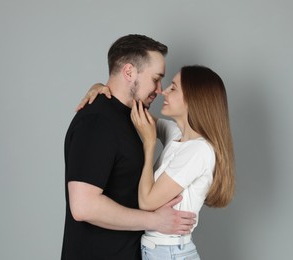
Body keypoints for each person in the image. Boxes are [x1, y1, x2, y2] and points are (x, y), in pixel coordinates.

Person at [62, 34, 196, 260]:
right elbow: (83, 205)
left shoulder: (131, 117)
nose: (159, 89)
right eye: (156, 79)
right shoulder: (97, 121)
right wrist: (155, 221)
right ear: (129, 72)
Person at [81, 65, 235, 259]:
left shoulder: (199, 150)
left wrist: (149, 144)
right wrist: (102, 89)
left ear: (193, 99)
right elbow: (134, 113)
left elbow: (146, 202)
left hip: (169, 253)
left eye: (173, 88)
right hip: (159, 251)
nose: (163, 91)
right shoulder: (177, 135)